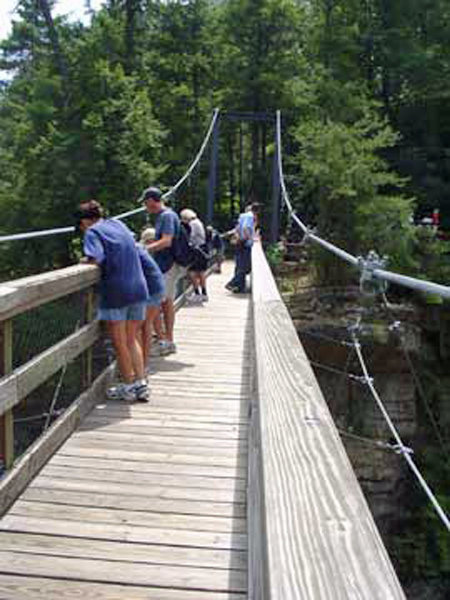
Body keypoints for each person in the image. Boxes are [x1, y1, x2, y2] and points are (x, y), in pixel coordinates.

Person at [76, 200, 149, 402]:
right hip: (139, 287)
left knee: (119, 343)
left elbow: (96, 256)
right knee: (131, 338)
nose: (82, 230)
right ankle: (141, 384)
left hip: (116, 292)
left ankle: (127, 387)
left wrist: (85, 260)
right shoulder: (118, 224)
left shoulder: (93, 232)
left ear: (85, 221)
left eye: (81, 226)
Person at [142, 187, 185, 355]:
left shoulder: (166, 216)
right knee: (166, 303)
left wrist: (144, 249)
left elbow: (167, 242)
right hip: (168, 265)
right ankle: (167, 340)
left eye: (145, 202)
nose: (145, 206)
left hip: (167, 266)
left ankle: (163, 341)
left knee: (155, 304)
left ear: (152, 200)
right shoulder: (165, 216)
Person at [137, 234, 165, 368]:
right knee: (145, 325)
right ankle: (142, 363)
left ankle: (142, 364)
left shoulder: (132, 250)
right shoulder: (137, 248)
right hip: (156, 286)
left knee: (143, 326)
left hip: (152, 288)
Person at [225, 202, 259, 293]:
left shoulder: (242, 216)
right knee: (245, 267)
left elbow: (238, 228)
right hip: (245, 244)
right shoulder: (250, 217)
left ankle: (240, 287)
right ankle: (232, 283)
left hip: (240, 243)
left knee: (240, 265)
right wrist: (249, 238)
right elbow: (245, 228)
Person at [180, 208, 209, 302]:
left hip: (197, 250)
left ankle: (197, 293)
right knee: (201, 272)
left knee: (192, 272)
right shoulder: (198, 222)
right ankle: (204, 293)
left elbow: (189, 237)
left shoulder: (192, 224)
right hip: (202, 248)